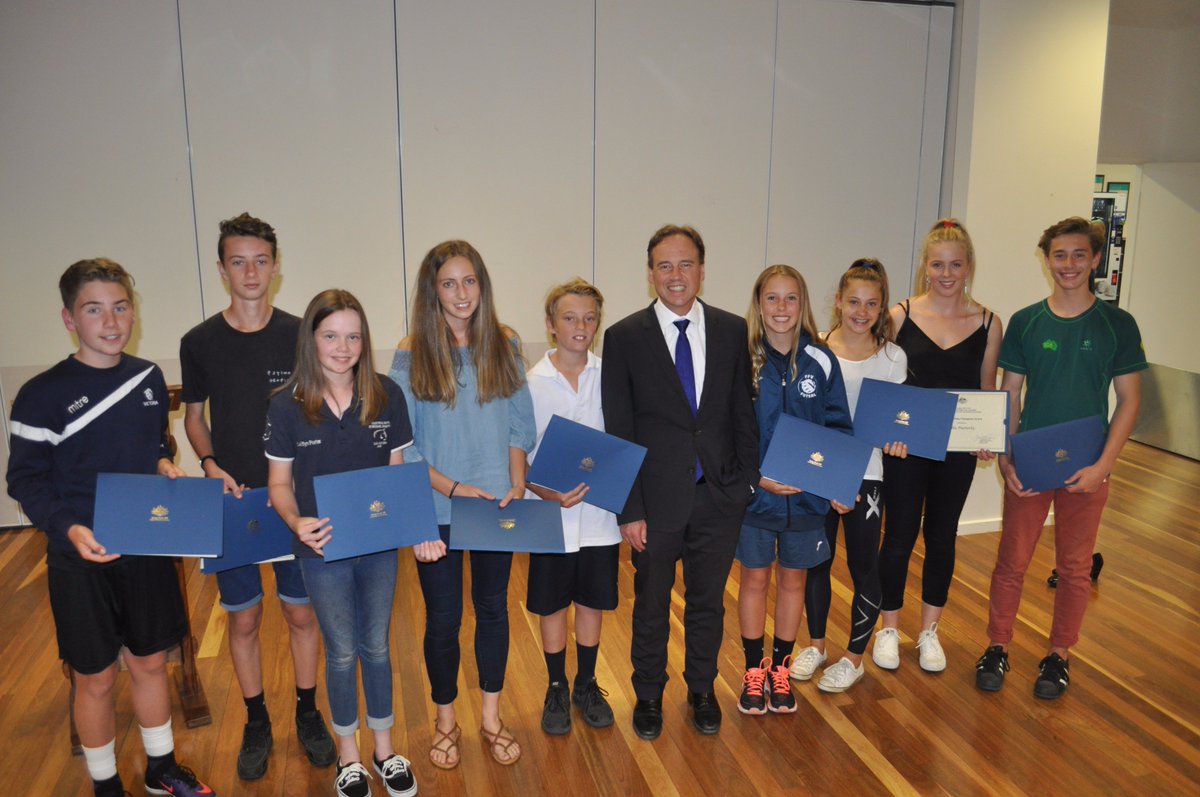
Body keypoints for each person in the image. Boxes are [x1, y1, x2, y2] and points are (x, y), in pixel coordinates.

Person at [6, 260, 215, 797]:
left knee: (150, 661)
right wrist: (70, 529)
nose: (111, 321)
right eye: (94, 310)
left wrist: (164, 464)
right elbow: (24, 480)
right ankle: (106, 785)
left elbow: (154, 445)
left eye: (120, 307)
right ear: (69, 318)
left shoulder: (147, 378)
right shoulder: (40, 394)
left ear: (133, 311)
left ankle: (161, 768)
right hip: (78, 555)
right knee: (94, 676)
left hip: (145, 544)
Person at [180, 212, 334, 779]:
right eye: (238, 262)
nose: (250, 271)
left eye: (260, 261)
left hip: (293, 502)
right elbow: (194, 418)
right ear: (222, 270)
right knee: (242, 622)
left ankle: (308, 713)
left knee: (301, 614)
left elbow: (319, 409)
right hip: (235, 501)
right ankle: (256, 720)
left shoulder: (300, 335)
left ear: (275, 266)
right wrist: (210, 465)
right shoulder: (199, 342)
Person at [266, 290, 429, 797]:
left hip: (377, 548)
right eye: (331, 336)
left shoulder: (386, 394)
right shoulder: (286, 405)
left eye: (353, 337)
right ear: (311, 339)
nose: (343, 348)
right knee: (340, 653)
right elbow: (278, 485)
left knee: (376, 646)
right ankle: (348, 756)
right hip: (321, 550)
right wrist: (297, 522)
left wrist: (418, 529)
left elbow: (397, 477)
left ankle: (384, 751)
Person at [976, 217, 1145, 699]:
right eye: (1059, 255)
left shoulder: (1117, 325)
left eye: (1078, 255)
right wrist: (1007, 458)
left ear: (1095, 259)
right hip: (1030, 463)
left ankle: (1059, 655)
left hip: (1087, 467)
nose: (1068, 264)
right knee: (1012, 561)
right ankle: (997, 646)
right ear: (1046, 259)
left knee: (1074, 568)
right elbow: (1011, 393)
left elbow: (1129, 401)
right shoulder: (1027, 321)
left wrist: (1103, 467)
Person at [601, 224, 759, 739]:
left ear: (702, 271)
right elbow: (619, 429)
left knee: (707, 601)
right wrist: (629, 509)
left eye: (685, 264)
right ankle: (648, 694)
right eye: (664, 265)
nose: (676, 275)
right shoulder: (625, 337)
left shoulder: (732, 329)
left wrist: (745, 484)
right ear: (650, 274)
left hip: (718, 496)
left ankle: (702, 689)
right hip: (654, 501)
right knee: (651, 603)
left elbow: (742, 413)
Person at [388, 240, 535, 769]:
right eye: (448, 283)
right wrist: (451, 489)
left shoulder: (505, 341)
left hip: (495, 504)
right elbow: (403, 444)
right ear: (433, 291)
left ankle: (491, 717)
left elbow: (519, 424)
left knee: (494, 609)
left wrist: (516, 482)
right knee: (444, 618)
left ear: (482, 284)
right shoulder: (411, 352)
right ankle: (445, 720)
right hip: (439, 506)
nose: (461, 293)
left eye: (469, 281)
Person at [876, 219, 1003, 672]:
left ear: (969, 267)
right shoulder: (899, 315)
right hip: (906, 448)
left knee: (942, 536)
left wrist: (987, 437)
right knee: (899, 535)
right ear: (925, 267)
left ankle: (929, 632)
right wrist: (886, 433)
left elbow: (986, 389)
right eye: (937, 265)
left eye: (955, 264)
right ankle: (888, 628)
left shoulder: (989, 323)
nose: (946, 273)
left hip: (957, 452)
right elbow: (883, 384)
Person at [735, 265, 853, 715]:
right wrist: (754, 478)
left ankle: (780, 671)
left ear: (802, 304)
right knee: (754, 579)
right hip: (756, 497)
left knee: (793, 582)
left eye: (790, 298)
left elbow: (838, 426)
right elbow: (729, 430)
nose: (781, 307)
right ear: (758, 303)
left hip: (807, 500)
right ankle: (754, 671)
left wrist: (839, 483)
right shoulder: (743, 359)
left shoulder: (821, 360)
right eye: (772, 298)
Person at [797, 259, 908, 693]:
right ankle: (817, 646)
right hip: (820, 473)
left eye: (872, 304)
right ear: (839, 302)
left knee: (864, 565)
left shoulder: (893, 357)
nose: (862, 312)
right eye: (854, 302)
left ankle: (855, 659)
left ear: (882, 309)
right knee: (816, 563)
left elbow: (896, 422)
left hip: (868, 475)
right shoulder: (815, 349)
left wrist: (899, 441)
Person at [524, 278, 620, 735]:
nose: (580, 326)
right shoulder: (530, 384)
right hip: (549, 516)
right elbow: (518, 456)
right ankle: (557, 686)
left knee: (591, 601)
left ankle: (586, 683)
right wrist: (545, 492)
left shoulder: (611, 377)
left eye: (589, 318)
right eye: (569, 318)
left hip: (601, 516)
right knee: (552, 605)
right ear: (550, 325)